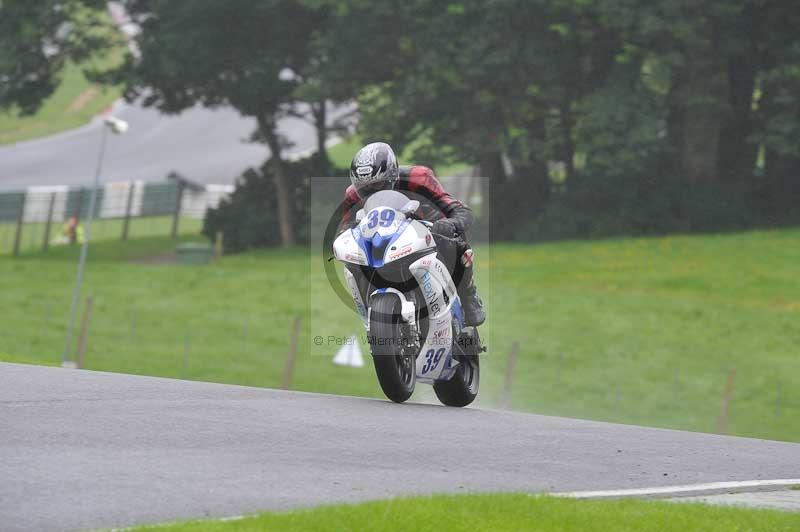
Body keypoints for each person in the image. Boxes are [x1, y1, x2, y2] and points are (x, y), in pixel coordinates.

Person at [340, 142, 485, 326]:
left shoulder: (420, 177)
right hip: (382, 242)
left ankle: (468, 295)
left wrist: (449, 223)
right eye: (364, 189)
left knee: (454, 241)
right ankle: (369, 314)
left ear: (393, 174)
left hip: (427, 232)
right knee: (352, 262)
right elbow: (346, 229)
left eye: (378, 185)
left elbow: (460, 211)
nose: (371, 192)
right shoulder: (352, 195)